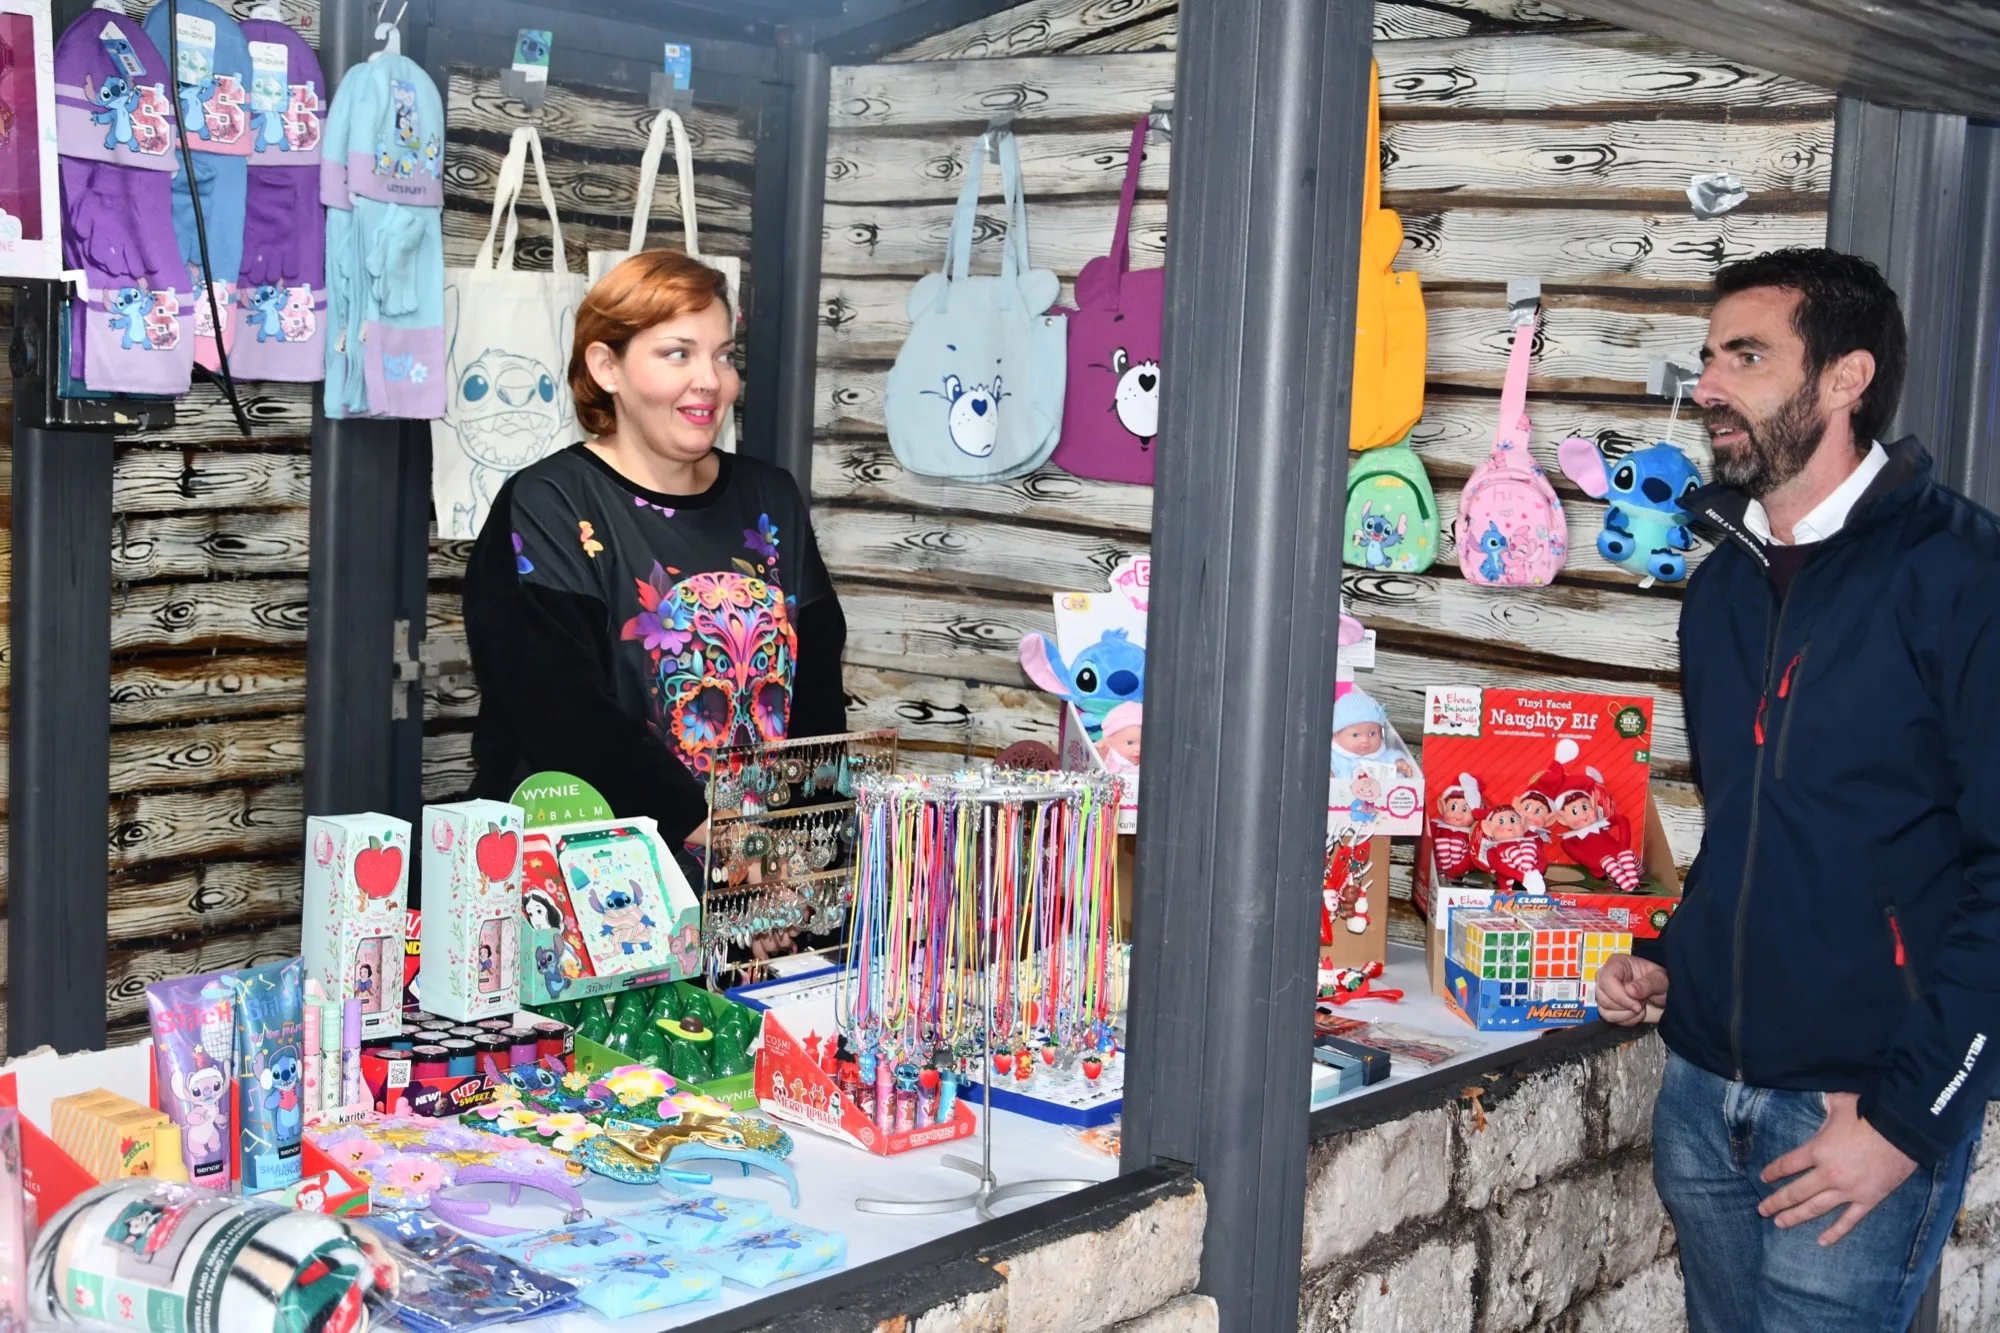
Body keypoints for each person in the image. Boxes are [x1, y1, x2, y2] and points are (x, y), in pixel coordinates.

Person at [1595, 248, 2000, 1332]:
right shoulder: (1721, 588)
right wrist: (1676, 956)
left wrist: (1907, 1120)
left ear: (1844, 378)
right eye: (1707, 358)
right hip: (1701, 1097)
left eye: (1745, 357)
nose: (1707, 387)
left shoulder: (1964, 576)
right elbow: (1754, 826)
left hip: (1855, 1113)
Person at [463, 249, 847, 883]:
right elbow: (558, 710)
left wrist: (796, 843)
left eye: (723, 356)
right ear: (606, 366)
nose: (710, 380)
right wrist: (715, 832)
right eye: (678, 353)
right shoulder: (549, 504)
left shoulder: (770, 498)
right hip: (595, 885)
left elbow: (816, 692)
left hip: (764, 873)